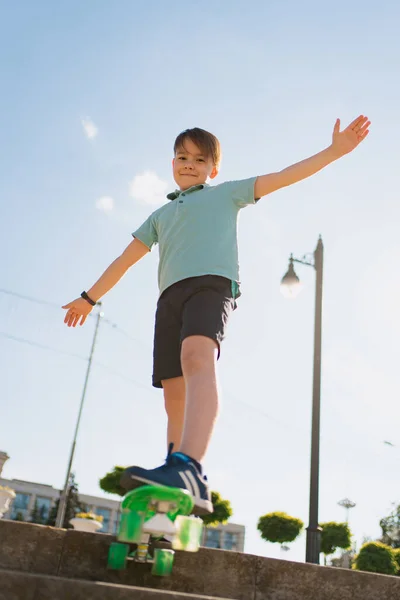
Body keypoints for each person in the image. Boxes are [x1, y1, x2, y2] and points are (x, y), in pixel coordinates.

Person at [62, 116, 370, 515]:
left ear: (213, 168)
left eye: (199, 159)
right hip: (169, 299)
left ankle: (190, 465)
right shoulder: (158, 216)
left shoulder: (226, 194)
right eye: (181, 157)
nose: (189, 163)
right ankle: (172, 476)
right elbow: (125, 259)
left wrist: (334, 151)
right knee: (174, 395)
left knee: (196, 358)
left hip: (211, 286)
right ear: (172, 163)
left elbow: (284, 175)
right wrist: (89, 298)